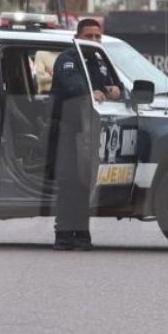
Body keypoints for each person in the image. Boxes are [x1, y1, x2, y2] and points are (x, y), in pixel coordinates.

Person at [47, 19, 118, 251]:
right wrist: (92, 91)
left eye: (97, 37)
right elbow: (74, 86)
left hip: (91, 133)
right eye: (89, 36)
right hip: (68, 130)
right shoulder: (68, 59)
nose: (94, 41)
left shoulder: (98, 61)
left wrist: (115, 89)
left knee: (84, 184)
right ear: (77, 37)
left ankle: (82, 235)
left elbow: (114, 86)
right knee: (69, 184)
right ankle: (64, 235)